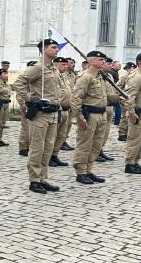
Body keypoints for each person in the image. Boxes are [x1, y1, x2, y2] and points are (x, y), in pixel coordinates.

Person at [12, 39, 67, 194]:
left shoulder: (54, 69)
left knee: (48, 148)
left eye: (57, 47)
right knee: (37, 148)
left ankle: (43, 178)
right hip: (41, 115)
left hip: (53, 113)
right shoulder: (38, 67)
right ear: (44, 49)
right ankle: (34, 180)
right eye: (54, 47)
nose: (57, 50)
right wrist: (30, 99)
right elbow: (18, 83)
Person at [71, 51, 119, 184]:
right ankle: (80, 172)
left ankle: (88, 169)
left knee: (96, 145)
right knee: (84, 144)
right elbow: (75, 98)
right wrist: (79, 117)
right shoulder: (85, 77)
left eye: (104, 60)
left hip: (102, 114)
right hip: (90, 114)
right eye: (100, 60)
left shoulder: (101, 77)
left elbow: (107, 97)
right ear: (90, 61)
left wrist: (118, 98)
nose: (104, 62)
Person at [49, 57, 73, 167]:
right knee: (52, 135)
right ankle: (48, 157)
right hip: (57, 109)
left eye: (66, 64)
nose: (66, 66)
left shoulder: (64, 76)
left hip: (66, 110)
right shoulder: (53, 75)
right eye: (63, 64)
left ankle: (55, 155)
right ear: (56, 64)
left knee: (61, 135)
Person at [98, 58, 118, 162]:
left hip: (111, 106)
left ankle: (100, 150)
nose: (110, 66)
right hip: (102, 107)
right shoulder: (98, 76)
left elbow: (112, 91)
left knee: (105, 132)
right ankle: (95, 152)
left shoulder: (109, 76)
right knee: (99, 132)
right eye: (108, 64)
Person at [124, 53, 141, 174]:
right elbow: (130, 96)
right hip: (137, 113)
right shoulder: (136, 77)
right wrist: (131, 112)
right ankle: (130, 164)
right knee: (134, 139)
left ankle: (135, 162)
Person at [17, 60, 38, 156]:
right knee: (26, 127)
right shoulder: (25, 78)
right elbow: (19, 94)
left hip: (34, 106)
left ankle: (29, 146)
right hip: (26, 105)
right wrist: (22, 106)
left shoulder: (35, 78)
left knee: (32, 127)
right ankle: (23, 147)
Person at [117, 62, 135, 141]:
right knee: (124, 117)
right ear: (128, 68)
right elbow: (118, 87)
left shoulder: (134, 76)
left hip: (132, 100)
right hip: (125, 99)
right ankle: (121, 134)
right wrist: (120, 97)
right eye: (131, 68)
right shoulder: (125, 77)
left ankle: (127, 133)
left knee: (130, 117)